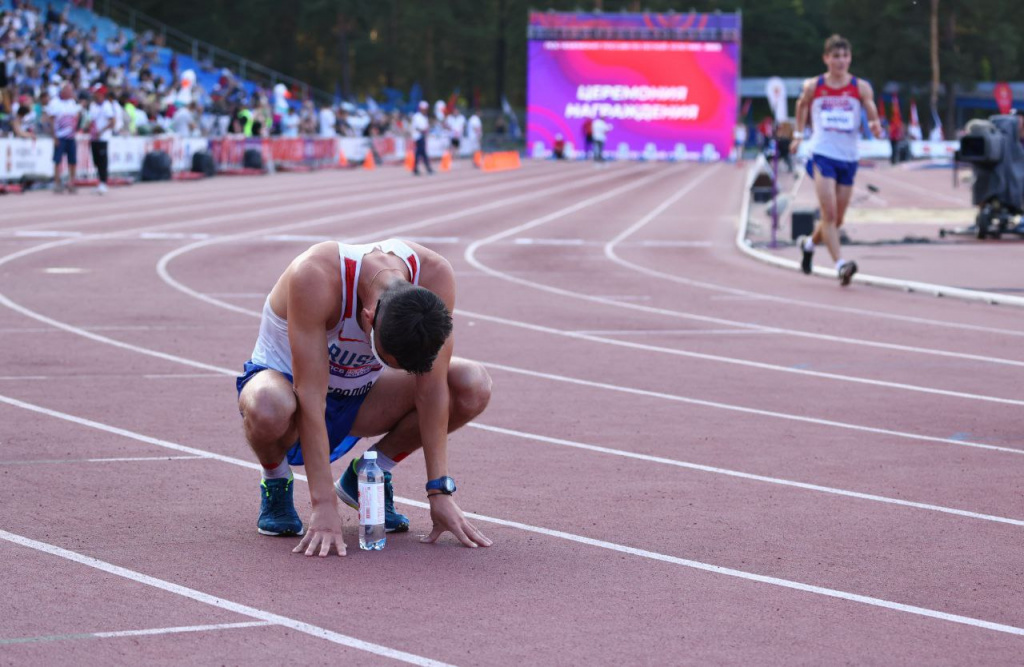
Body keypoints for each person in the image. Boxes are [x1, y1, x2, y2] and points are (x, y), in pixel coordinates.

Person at [236, 239, 493, 557]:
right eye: (389, 360)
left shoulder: (435, 276)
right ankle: (275, 479)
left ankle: (369, 472)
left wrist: (439, 490)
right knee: (269, 404)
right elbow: (311, 396)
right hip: (292, 394)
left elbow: (432, 388)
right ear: (369, 318)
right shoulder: (316, 276)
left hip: (362, 396)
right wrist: (323, 504)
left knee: (472, 384)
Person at [792, 34, 883, 286]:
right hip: (822, 154)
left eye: (845, 56)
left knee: (837, 219)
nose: (840, 61)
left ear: (850, 58)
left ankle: (809, 244)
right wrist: (799, 135)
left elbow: (870, 107)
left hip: (849, 157)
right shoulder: (814, 85)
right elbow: (801, 105)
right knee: (829, 213)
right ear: (826, 58)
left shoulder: (859, 86)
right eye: (835, 57)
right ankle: (841, 265)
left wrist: (875, 124)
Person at [45, 81, 82, 194]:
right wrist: (54, 136)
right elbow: (51, 120)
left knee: (73, 161)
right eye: (69, 90)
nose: (71, 92)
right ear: (63, 91)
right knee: (57, 160)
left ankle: (72, 182)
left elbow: (77, 116)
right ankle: (57, 183)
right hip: (60, 137)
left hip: (71, 137)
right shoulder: (55, 103)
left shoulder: (72, 102)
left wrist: (75, 128)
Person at [87, 83, 115, 194]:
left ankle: (103, 182)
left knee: (103, 161)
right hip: (94, 138)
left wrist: (101, 131)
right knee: (96, 161)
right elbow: (91, 120)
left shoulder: (107, 105)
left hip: (103, 138)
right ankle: (99, 182)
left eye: (96, 92)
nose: (94, 94)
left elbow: (112, 121)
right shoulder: (93, 106)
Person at [411, 100, 432, 176]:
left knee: (420, 153)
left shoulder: (424, 117)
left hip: (422, 136)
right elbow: (417, 128)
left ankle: (416, 169)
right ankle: (427, 168)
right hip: (418, 137)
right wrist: (424, 130)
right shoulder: (417, 116)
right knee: (421, 153)